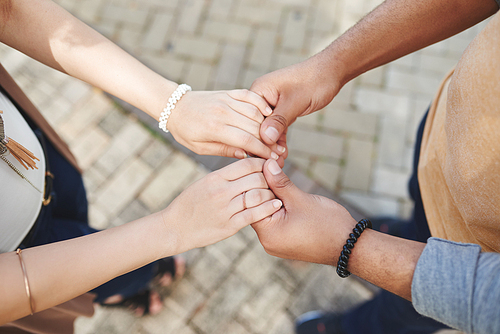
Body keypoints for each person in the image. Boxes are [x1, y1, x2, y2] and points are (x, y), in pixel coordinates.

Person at [0, 0, 285, 329]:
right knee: (107, 276)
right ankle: (128, 287)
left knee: (82, 218)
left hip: (36, 151)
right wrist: (171, 230)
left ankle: (132, 279)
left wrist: (174, 107)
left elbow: (8, 10)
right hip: (22, 255)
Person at [249, 0, 500, 332]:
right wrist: (329, 66)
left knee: (405, 312)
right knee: (420, 209)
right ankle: (408, 233)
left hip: (473, 253)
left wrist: (350, 245)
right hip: (443, 139)